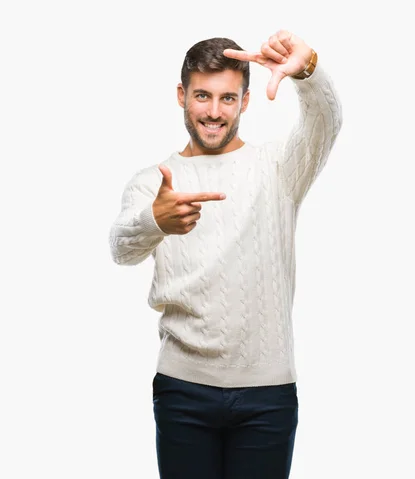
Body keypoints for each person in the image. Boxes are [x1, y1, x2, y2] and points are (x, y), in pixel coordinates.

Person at [108, 29, 342, 479]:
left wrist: (309, 70)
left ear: (245, 102)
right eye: (203, 96)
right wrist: (155, 220)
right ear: (182, 95)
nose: (214, 112)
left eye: (228, 98)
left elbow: (326, 125)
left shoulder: (278, 168)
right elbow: (120, 248)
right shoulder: (154, 182)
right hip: (182, 391)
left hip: (267, 394)